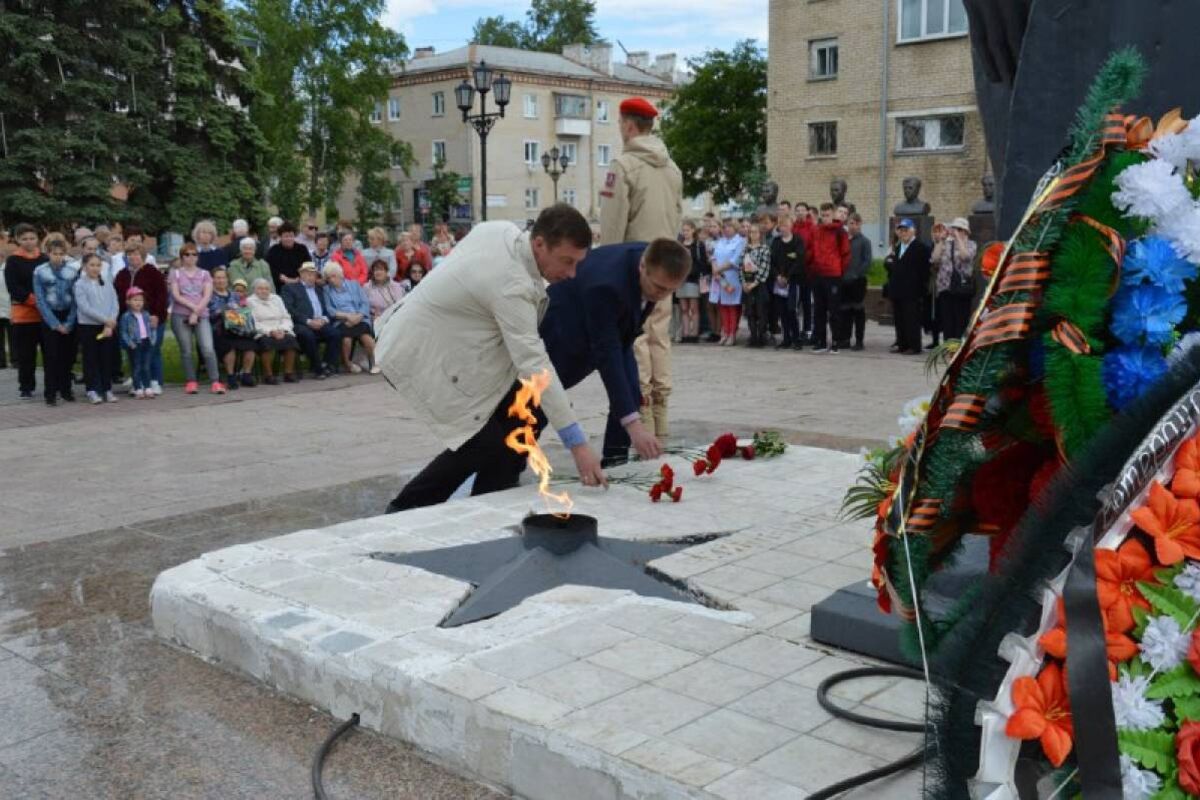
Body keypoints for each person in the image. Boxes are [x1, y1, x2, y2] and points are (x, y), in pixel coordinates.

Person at [379, 204, 605, 513]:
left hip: (441, 341)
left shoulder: (500, 230)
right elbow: (534, 364)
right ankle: (402, 512)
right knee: (480, 441)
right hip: (420, 352)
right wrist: (577, 443)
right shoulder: (512, 285)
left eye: (578, 263)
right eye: (567, 261)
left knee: (516, 421)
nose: (571, 273)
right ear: (539, 244)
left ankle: (490, 503)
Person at [542, 238, 690, 466]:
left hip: (612, 331)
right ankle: (502, 476)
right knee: (540, 404)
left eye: (671, 290)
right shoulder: (607, 286)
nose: (662, 296)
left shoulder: (655, 259)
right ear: (642, 267)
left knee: (631, 391)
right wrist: (634, 426)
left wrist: (634, 421)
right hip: (562, 336)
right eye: (659, 288)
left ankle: (615, 464)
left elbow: (621, 342)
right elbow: (607, 354)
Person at [599, 96, 683, 443]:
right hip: (667, 265)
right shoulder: (672, 169)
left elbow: (613, 223)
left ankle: (644, 422)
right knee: (660, 340)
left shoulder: (623, 165)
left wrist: (606, 266)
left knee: (635, 343)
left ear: (629, 126)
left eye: (620, 125)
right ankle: (661, 422)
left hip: (635, 269)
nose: (620, 131)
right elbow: (677, 218)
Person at [170, 243, 225, 394]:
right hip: (180, 314)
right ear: (182, 257)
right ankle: (191, 381)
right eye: (187, 254)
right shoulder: (175, 274)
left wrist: (196, 312)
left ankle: (215, 381)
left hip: (201, 315)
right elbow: (176, 295)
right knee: (186, 350)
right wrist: (192, 308)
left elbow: (207, 295)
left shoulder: (205, 274)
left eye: (194, 254)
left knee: (207, 348)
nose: (191, 257)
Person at [114, 244, 168, 395]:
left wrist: (157, 314)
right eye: (129, 254)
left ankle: (155, 381)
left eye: (136, 254)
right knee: (134, 352)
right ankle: (137, 382)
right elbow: (117, 297)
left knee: (153, 349)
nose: (133, 257)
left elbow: (162, 295)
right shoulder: (122, 274)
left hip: (151, 318)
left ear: (143, 256)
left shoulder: (152, 272)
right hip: (130, 321)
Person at [33, 236, 79, 405]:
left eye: (61, 253)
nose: (57, 257)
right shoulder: (40, 271)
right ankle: (50, 393)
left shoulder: (72, 271)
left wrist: (69, 322)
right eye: (54, 253)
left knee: (67, 356)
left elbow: (76, 298)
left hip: (68, 315)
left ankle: (66, 389)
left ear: (65, 254)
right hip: (50, 316)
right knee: (51, 356)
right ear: (48, 253)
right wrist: (54, 324)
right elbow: (40, 300)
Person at [5, 223, 47, 398]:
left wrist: (45, 303)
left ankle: (52, 384)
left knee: (50, 352)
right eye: (24, 239)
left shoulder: (44, 258)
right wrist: (34, 300)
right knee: (26, 354)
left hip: (46, 315)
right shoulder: (13, 260)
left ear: (37, 239)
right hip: (23, 315)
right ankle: (26, 387)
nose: (29, 242)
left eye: (32, 238)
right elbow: (13, 287)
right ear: (17, 240)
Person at [73, 253, 119, 403]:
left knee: (106, 358)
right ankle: (92, 389)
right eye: (92, 265)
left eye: (98, 265)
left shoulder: (106, 282)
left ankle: (107, 388)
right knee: (91, 358)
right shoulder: (80, 284)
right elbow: (85, 307)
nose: (95, 268)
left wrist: (110, 321)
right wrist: (106, 319)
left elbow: (114, 302)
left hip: (107, 326)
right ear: (85, 266)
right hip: (88, 326)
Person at [281, 262, 340, 379]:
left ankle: (327, 364)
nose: (311, 277)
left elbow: (326, 308)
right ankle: (318, 368)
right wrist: (308, 321)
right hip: (302, 323)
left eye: (313, 275)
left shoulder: (320, 289)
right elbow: (289, 309)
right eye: (307, 274)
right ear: (301, 274)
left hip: (320, 321)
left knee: (336, 334)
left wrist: (323, 319)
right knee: (307, 335)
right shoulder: (290, 288)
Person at [885, 218, 932, 355]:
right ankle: (902, 343)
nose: (903, 232)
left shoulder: (921, 247)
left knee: (911, 318)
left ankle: (914, 346)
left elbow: (924, 270)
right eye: (901, 230)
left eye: (906, 230)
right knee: (899, 318)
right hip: (897, 289)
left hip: (912, 290)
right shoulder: (898, 247)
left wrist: (919, 287)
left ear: (913, 231)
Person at [808, 203, 850, 354]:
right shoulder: (816, 230)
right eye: (823, 215)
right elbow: (811, 250)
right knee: (819, 310)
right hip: (817, 275)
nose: (825, 218)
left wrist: (839, 271)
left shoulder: (840, 232)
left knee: (834, 310)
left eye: (827, 215)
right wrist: (811, 268)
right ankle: (821, 341)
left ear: (833, 215)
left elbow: (845, 254)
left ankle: (836, 341)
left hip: (833, 275)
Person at [322, 262, 378, 374]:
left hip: (359, 317)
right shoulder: (327, 290)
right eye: (328, 278)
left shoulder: (354, 285)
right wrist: (347, 316)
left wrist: (359, 316)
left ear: (340, 274)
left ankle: (374, 362)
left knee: (366, 337)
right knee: (346, 339)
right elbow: (329, 309)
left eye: (333, 276)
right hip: (342, 321)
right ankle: (348, 364)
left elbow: (364, 303)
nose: (331, 280)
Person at [932, 217, 978, 342]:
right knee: (948, 321)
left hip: (962, 289)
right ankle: (948, 348)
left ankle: (958, 348)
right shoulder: (946, 244)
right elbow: (935, 259)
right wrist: (940, 241)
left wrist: (958, 239)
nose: (956, 231)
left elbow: (965, 257)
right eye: (954, 228)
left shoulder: (971, 244)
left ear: (966, 231)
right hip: (945, 287)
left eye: (960, 229)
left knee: (961, 320)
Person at [209, 267, 255, 389]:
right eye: (217, 278)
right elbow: (209, 314)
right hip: (219, 329)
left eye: (223, 277)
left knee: (250, 343)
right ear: (212, 280)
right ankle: (231, 376)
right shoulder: (209, 295)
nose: (220, 280)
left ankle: (246, 374)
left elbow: (241, 311)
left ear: (227, 279)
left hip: (237, 327)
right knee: (229, 346)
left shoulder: (234, 295)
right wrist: (222, 312)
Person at [246, 278, 299, 384]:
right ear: (254, 290)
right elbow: (253, 323)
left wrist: (283, 329)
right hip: (262, 331)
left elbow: (286, 317)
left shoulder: (276, 299)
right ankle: (268, 375)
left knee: (291, 341)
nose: (264, 291)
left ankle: (288, 373)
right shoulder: (250, 301)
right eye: (260, 288)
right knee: (266, 343)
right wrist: (270, 332)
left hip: (280, 329)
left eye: (266, 288)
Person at [770, 211, 807, 351]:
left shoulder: (797, 240)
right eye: (781, 226)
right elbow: (772, 262)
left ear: (791, 226)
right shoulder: (776, 242)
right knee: (782, 311)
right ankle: (786, 339)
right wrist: (777, 276)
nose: (783, 228)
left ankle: (797, 339)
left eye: (786, 225)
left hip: (793, 282)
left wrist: (787, 277)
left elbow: (799, 260)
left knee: (792, 309)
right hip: (779, 282)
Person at [837, 212, 872, 351]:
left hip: (857, 281)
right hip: (843, 280)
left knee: (858, 311)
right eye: (851, 223)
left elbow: (867, 261)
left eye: (856, 224)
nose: (853, 226)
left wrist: (856, 274)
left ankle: (859, 340)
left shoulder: (865, 241)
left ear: (860, 224)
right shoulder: (843, 239)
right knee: (845, 311)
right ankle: (845, 339)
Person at [711, 218, 745, 346]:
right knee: (722, 306)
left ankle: (732, 334)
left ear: (735, 228)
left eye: (729, 227)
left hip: (732, 277)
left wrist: (718, 270)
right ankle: (724, 332)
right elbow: (713, 257)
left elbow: (734, 260)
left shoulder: (740, 242)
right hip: (719, 278)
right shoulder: (721, 241)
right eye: (724, 227)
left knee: (732, 306)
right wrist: (715, 270)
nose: (726, 229)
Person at [119, 287, 156, 398]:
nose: (138, 302)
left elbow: (152, 328)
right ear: (128, 302)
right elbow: (123, 332)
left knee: (146, 366)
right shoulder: (126, 317)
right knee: (136, 366)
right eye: (135, 300)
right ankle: (137, 387)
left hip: (146, 342)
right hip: (135, 344)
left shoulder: (146, 314)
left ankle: (147, 386)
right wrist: (130, 343)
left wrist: (152, 339)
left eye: (140, 300)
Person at [676, 220, 707, 343]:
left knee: (693, 308)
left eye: (687, 230)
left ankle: (694, 334)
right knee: (683, 308)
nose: (685, 233)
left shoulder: (698, 245)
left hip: (693, 280)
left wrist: (689, 273)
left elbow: (702, 264)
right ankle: (685, 333)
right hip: (680, 280)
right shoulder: (679, 245)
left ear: (693, 230)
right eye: (683, 230)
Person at [741, 222, 771, 348]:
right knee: (750, 312)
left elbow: (764, 268)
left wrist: (754, 283)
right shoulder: (746, 248)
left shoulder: (764, 249)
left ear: (760, 234)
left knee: (761, 312)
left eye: (755, 232)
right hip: (747, 283)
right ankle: (753, 336)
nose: (753, 235)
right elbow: (741, 267)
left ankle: (761, 337)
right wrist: (743, 282)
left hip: (759, 284)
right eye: (751, 232)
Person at [266, 222, 312, 290]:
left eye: (291, 236)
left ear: (294, 236)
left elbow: (308, 266)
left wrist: (299, 278)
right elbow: (270, 269)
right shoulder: (273, 251)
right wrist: (283, 278)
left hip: (300, 284)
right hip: (280, 286)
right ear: (280, 237)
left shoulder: (302, 249)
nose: (289, 239)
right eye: (286, 236)